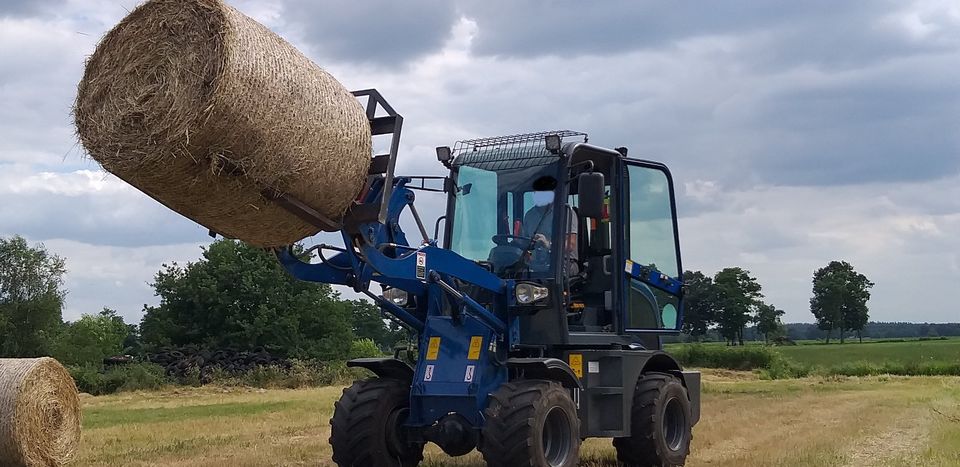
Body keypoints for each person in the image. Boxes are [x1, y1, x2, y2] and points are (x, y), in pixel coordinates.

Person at [521, 176, 579, 275]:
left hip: (563, 263)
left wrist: (548, 244)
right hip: (535, 264)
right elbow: (524, 242)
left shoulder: (565, 212)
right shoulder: (529, 215)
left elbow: (570, 244)